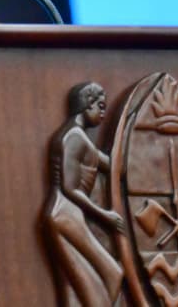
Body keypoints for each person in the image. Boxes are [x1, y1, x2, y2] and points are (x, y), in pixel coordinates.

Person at [43, 81, 127, 307]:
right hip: (65, 213)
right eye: (100, 106)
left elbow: (113, 167)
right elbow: (70, 189)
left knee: (73, 285)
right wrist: (104, 215)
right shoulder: (73, 137)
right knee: (112, 273)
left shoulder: (81, 138)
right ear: (87, 104)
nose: (103, 113)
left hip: (68, 214)